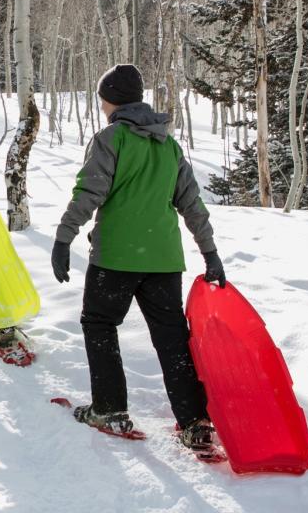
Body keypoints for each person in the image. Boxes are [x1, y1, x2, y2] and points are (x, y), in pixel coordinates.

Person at [50, 63, 227, 453]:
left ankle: (110, 409)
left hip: (116, 255)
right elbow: (192, 204)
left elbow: (88, 193)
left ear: (110, 100)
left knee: (99, 323)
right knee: (172, 337)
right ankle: (194, 421)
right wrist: (209, 252)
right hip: (163, 258)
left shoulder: (110, 138)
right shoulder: (168, 143)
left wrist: (64, 238)